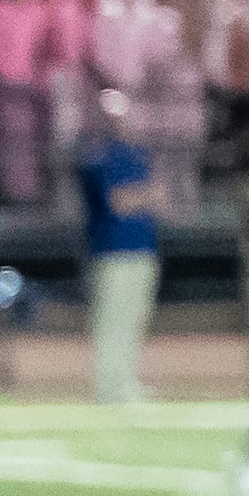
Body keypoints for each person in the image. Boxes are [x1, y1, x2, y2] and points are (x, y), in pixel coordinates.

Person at [76, 87, 160, 403]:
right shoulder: (98, 156)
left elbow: (158, 198)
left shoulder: (136, 154)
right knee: (112, 322)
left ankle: (127, 383)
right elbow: (118, 203)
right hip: (112, 251)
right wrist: (145, 195)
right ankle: (109, 387)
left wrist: (141, 196)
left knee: (135, 320)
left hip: (141, 247)